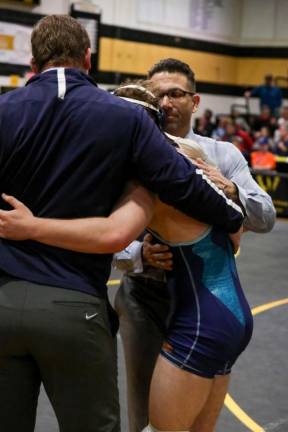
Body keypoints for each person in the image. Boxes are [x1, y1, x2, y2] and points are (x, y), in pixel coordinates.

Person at [0, 19, 243, 432]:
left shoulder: (5, 110)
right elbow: (180, 183)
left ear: (31, 62)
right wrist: (231, 211)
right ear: (89, 59)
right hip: (73, 303)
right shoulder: (123, 118)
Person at [113, 59, 276, 432]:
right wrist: (138, 254)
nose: (167, 103)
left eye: (176, 94)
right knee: (145, 415)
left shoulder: (219, 155)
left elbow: (264, 216)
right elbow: (117, 239)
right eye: (158, 96)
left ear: (195, 101)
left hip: (204, 305)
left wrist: (231, 191)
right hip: (150, 296)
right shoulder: (138, 158)